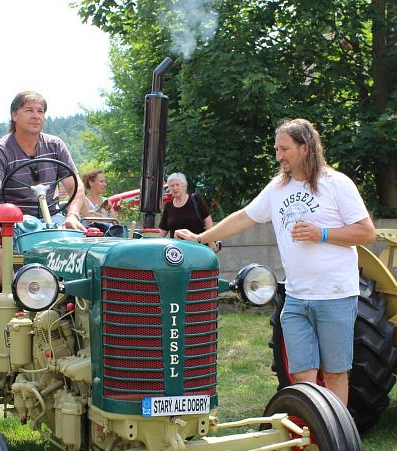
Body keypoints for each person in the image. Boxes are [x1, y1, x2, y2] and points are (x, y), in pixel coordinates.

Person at [175, 118, 375, 404]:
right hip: (295, 298)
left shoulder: (337, 184)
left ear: (304, 148)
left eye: (284, 149)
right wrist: (200, 237)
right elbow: (244, 216)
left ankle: (335, 441)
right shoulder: (278, 188)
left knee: (334, 375)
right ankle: (311, 435)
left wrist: (322, 234)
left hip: (334, 295)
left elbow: (366, 232)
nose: (278, 156)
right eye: (276, 149)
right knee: (303, 379)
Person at [0, 91, 87, 284]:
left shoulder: (55, 145)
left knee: (84, 233)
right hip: (14, 219)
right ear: (14, 115)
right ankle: (12, 294)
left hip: (52, 216)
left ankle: (72, 296)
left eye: (40, 111)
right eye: (29, 110)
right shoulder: (0, 151)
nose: (36, 116)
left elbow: (75, 186)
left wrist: (73, 215)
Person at [159, 172, 217, 251]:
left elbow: (208, 220)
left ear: (184, 186)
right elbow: (163, 229)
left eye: (177, 185)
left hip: (198, 247)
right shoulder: (168, 205)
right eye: (172, 186)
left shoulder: (196, 200)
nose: (175, 188)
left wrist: (211, 241)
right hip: (176, 251)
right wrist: (154, 243)